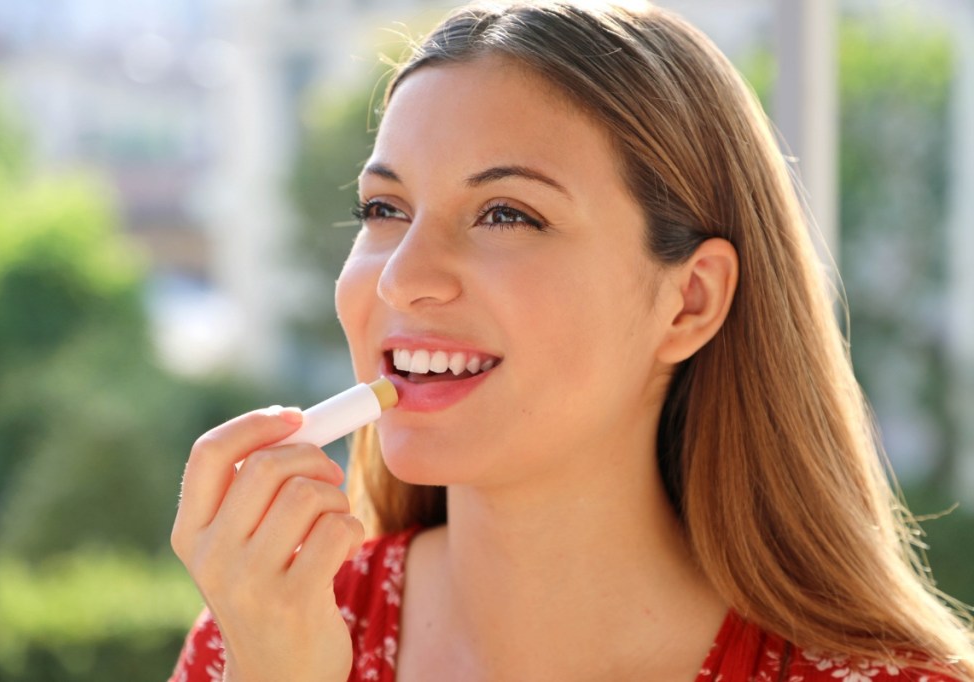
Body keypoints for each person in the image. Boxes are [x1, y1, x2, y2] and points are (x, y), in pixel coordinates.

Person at [167, 1, 974, 680]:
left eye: (507, 214)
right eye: (384, 210)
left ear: (689, 302)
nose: (401, 277)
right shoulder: (264, 634)